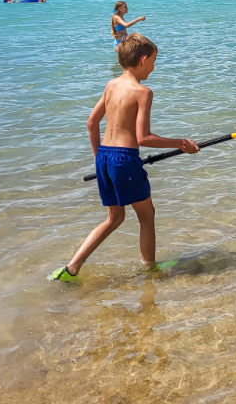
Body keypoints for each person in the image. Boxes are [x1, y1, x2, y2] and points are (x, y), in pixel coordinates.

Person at [49, 34, 199, 284]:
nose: (153, 66)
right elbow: (143, 138)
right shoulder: (143, 92)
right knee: (147, 215)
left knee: (115, 217)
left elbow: (91, 124)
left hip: (105, 157)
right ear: (142, 60)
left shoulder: (111, 85)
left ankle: (71, 267)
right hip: (124, 158)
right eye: (153, 61)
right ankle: (150, 268)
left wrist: (101, 160)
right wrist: (180, 143)